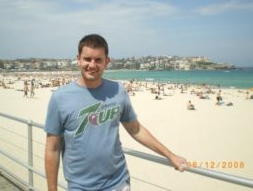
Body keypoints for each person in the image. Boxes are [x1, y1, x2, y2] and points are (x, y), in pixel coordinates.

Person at [44, 34, 187, 191]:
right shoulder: (60, 97)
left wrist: (170, 155)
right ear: (78, 59)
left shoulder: (118, 91)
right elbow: (53, 148)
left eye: (98, 60)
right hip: (80, 186)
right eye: (87, 59)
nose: (92, 65)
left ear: (107, 62)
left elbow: (136, 129)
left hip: (118, 183)